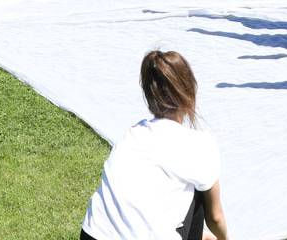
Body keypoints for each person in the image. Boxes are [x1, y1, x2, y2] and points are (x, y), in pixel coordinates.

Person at [78, 51, 231, 240]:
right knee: (200, 191)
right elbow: (215, 218)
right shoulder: (200, 145)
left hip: (93, 234)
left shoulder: (132, 134)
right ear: (189, 93)